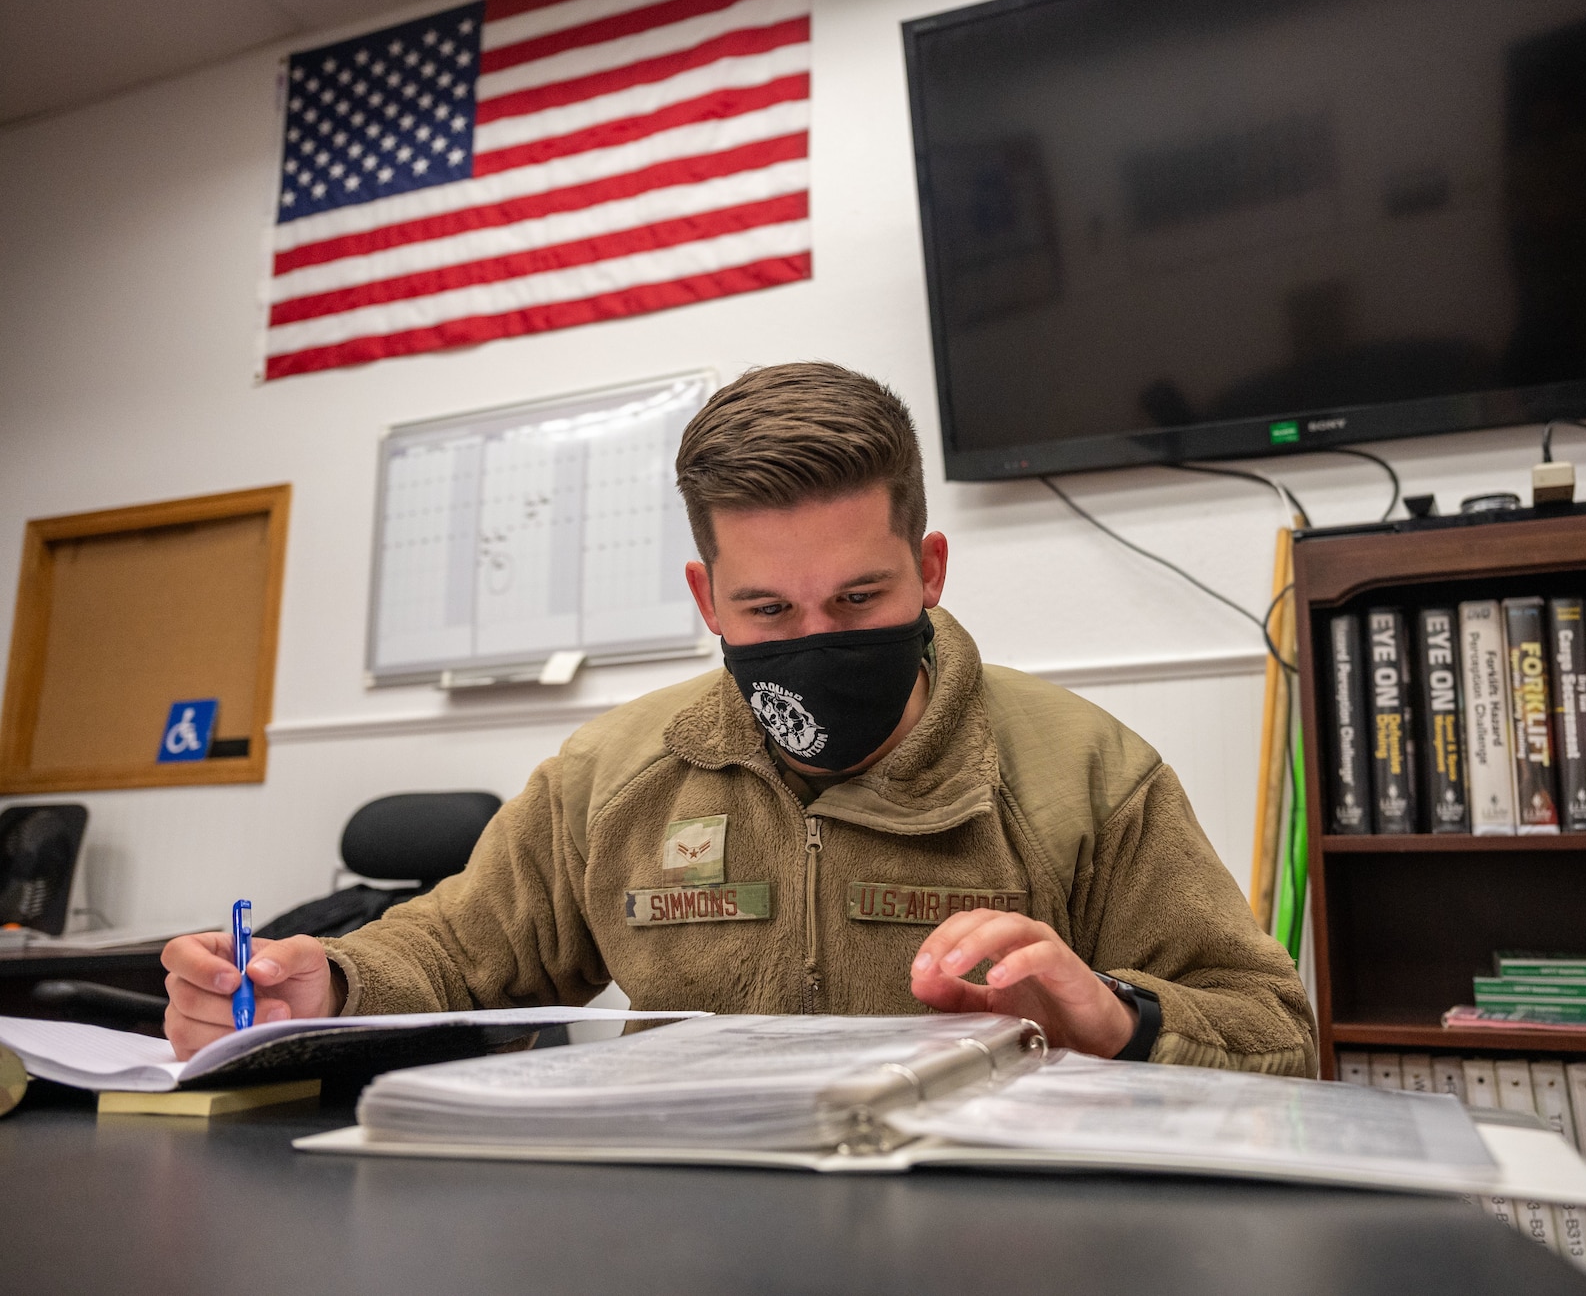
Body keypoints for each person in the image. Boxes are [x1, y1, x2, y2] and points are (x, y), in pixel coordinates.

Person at [161, 363, 1315, 1073]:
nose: (817, 635)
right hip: (688, 1233)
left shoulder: (1086, 770)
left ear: (930, 569)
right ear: (706, 597)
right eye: (766, 606)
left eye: (860, 597)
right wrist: (329, 983)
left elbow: (1272, 1031)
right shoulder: (613, 770)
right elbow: (460, 948)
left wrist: (1115, 1014)